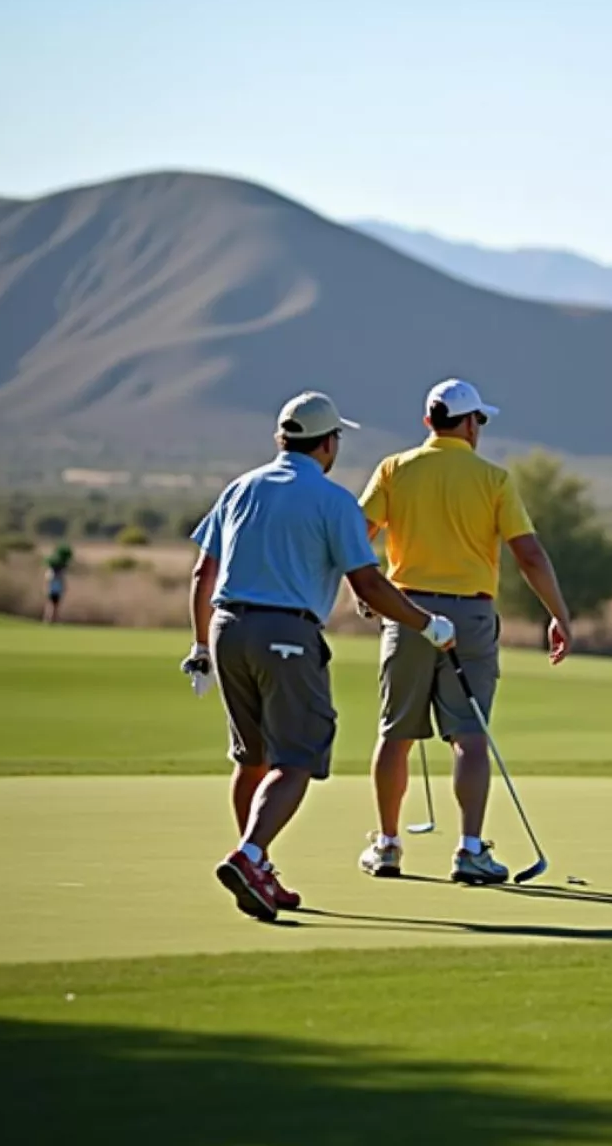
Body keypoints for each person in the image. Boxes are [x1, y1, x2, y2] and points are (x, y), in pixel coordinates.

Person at [182, 391, 457, 922]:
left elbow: (202, 573)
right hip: (286, 633)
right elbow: (370, 583)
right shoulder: (333, 502)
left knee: (252, 757)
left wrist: (199, 647)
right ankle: (250, 855)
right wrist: (427, 624)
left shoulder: (241, 487)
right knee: (296, 759)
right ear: (328, 443)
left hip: (226, 630)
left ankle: (259, 870)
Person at [356, 378, 573, 884]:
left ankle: (387, 846)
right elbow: (530, 555)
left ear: (429, 420)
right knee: (469, 738)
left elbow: (354, 535)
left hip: (406, 612)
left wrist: (366, 592)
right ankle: (470, 851)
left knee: (395, 734)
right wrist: (559, 614)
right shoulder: (493, 479)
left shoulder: (394, 469)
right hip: (471, 619)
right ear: (471, 423)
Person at [43, 542, 73, 624]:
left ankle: (52, 620)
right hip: (54, 590)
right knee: (52, 606)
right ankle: (49, 620)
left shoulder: (55, 573)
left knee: (53, 606)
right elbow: (49, 580)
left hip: (55, 590)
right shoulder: (53, 573)